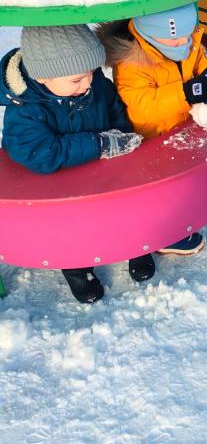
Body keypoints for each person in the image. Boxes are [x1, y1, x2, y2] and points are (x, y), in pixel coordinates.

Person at [0, 24, 147, 303]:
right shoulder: (26, 107)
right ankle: (77, 267)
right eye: (77, 79)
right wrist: (99, 144)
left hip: (101, 169)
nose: (88, 83)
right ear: (43, 77)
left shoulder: (92, 83)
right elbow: (37, 153)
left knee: (123, 207)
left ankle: (136, 245)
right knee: (70, 226)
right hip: (56, 182)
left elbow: (114, 107)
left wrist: (121, 133)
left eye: (92, 72)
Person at [98, 3, 207, 257]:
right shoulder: (132, 62)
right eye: (174, 39)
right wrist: (189, 92)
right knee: (160, 195)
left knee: (185, 182)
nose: (182, 42)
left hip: (181, 128)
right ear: (148, 34)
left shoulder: (187, 43)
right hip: (151, 139)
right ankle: (165, 235)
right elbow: (144, 107)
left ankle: (183, 215)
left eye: (186, 35)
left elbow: (205, 63)